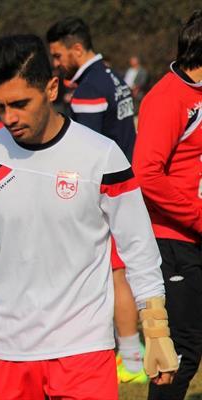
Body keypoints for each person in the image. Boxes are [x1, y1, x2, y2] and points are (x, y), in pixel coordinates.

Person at [0, 34, 178, 399]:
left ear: (52, 88)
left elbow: (138, 247)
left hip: (85, 350)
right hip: (11, 352)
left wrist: (157, 329)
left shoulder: (101, 155)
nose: (10, 118)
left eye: (20, 103)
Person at [46, 16, 146, 383]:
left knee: (117, 275)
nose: (55, 63)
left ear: (76, 49)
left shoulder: (89, 88)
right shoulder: (112, 78)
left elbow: (83, 151)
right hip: (125, 186)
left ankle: (133, 360)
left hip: (107, 194)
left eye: (58, 55)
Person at [133, 10, 202, 399]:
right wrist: (197, 216)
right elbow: (146, 174)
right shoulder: (167, 97)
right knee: (182, 352)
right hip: (174, 241)